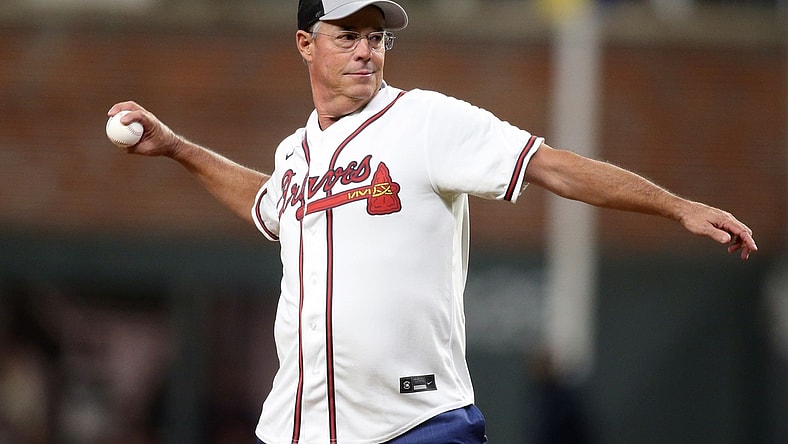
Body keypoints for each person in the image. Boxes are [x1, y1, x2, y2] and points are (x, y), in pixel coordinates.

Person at [107, 1, 757, 442]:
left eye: (375, 36)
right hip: (298, 427)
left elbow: (550, 166)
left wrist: (679, 206)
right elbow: (267, 202)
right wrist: (178, 149)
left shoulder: (425, 122)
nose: (366, 50)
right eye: (347, 35)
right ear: (306, 44)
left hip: (416, 423)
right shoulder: (295, 155)